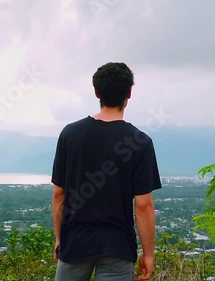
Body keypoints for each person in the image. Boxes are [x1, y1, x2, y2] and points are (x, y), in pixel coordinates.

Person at [51, 62, 162, 281]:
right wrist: (148, 254)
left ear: (96, 92)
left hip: (75, 242)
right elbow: (143, 206)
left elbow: (58, 195)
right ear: (129, 93)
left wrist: (59, 239)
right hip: (117, 246)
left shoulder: (70, 135)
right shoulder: (140, 142)